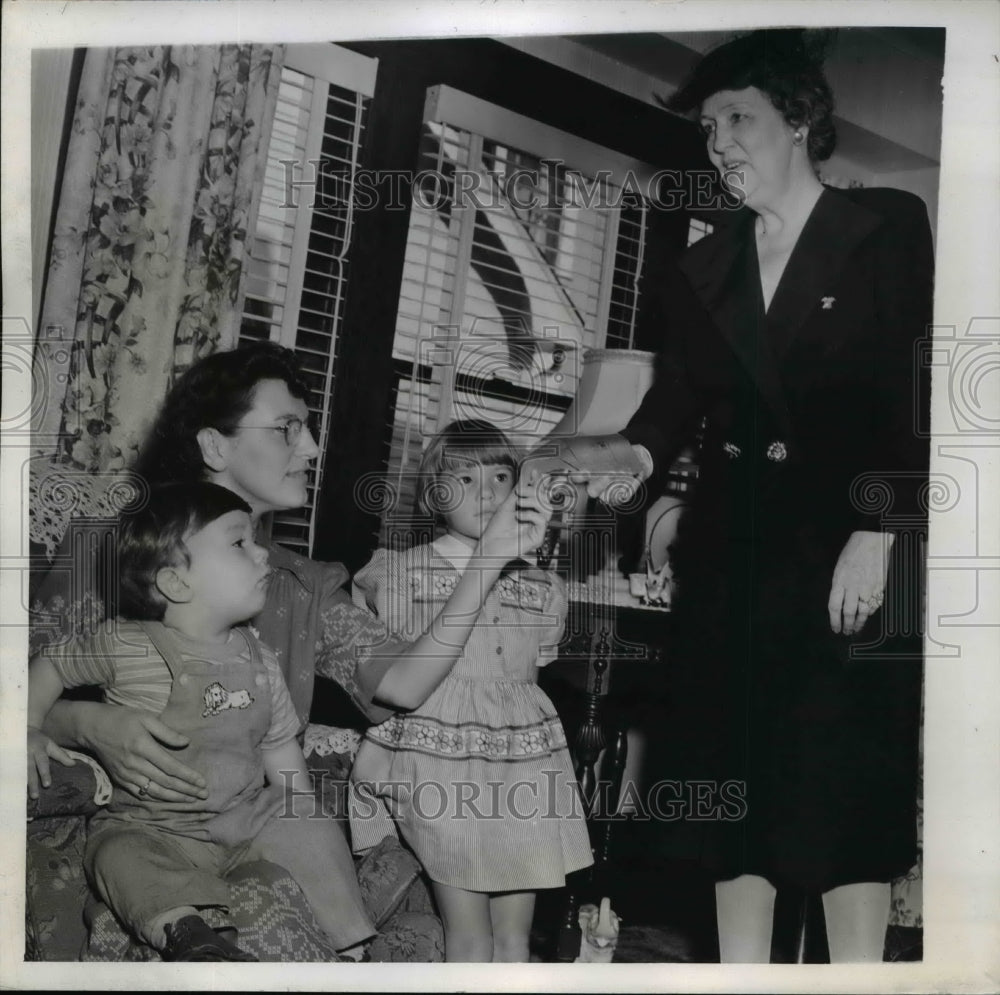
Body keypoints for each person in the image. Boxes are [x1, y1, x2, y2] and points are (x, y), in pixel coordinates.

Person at [581, 29, 931, 962]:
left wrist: (882, 529)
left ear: (802, 119)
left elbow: (914, 392)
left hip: (850, 546)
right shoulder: (706, 264)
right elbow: (670, 409)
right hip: (735, 554)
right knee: (730, 795)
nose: (720, 140)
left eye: (739, 117)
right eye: (709, 126)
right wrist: (630, 463)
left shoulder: (885, 228)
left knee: (840, 794)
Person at [31, 344, 551, 950]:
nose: (309, 448)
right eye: (288, 429)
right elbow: (27, 683)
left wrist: (488, 559)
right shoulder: (108, 547)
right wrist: (88, 722)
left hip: (253, 818)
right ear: (215, 446)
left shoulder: (307, 585)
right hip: (125, 821)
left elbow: (407, 683)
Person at [28, 482, 376, 961]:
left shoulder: (261, 659)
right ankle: (189, 934)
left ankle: (353, 949)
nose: (263, 556)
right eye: (239, 543)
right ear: (176, 582)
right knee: (115, 854)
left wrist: (301, 818)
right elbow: (51, 665)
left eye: (256, 541)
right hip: (155, 826)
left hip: (244, 817)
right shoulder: (125, 643)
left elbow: (278, 747)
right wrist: (26, 727)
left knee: (307, 820)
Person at [349, 420, 593, 963]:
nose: (485, 493)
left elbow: (533, 668)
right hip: (442, 766)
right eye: (464, 478)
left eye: (500, 477)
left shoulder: (541, 587)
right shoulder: (403, 575)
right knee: (470, 934)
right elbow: (394, 675)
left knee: (514, 937)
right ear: (434, 493)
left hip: (522, 767)